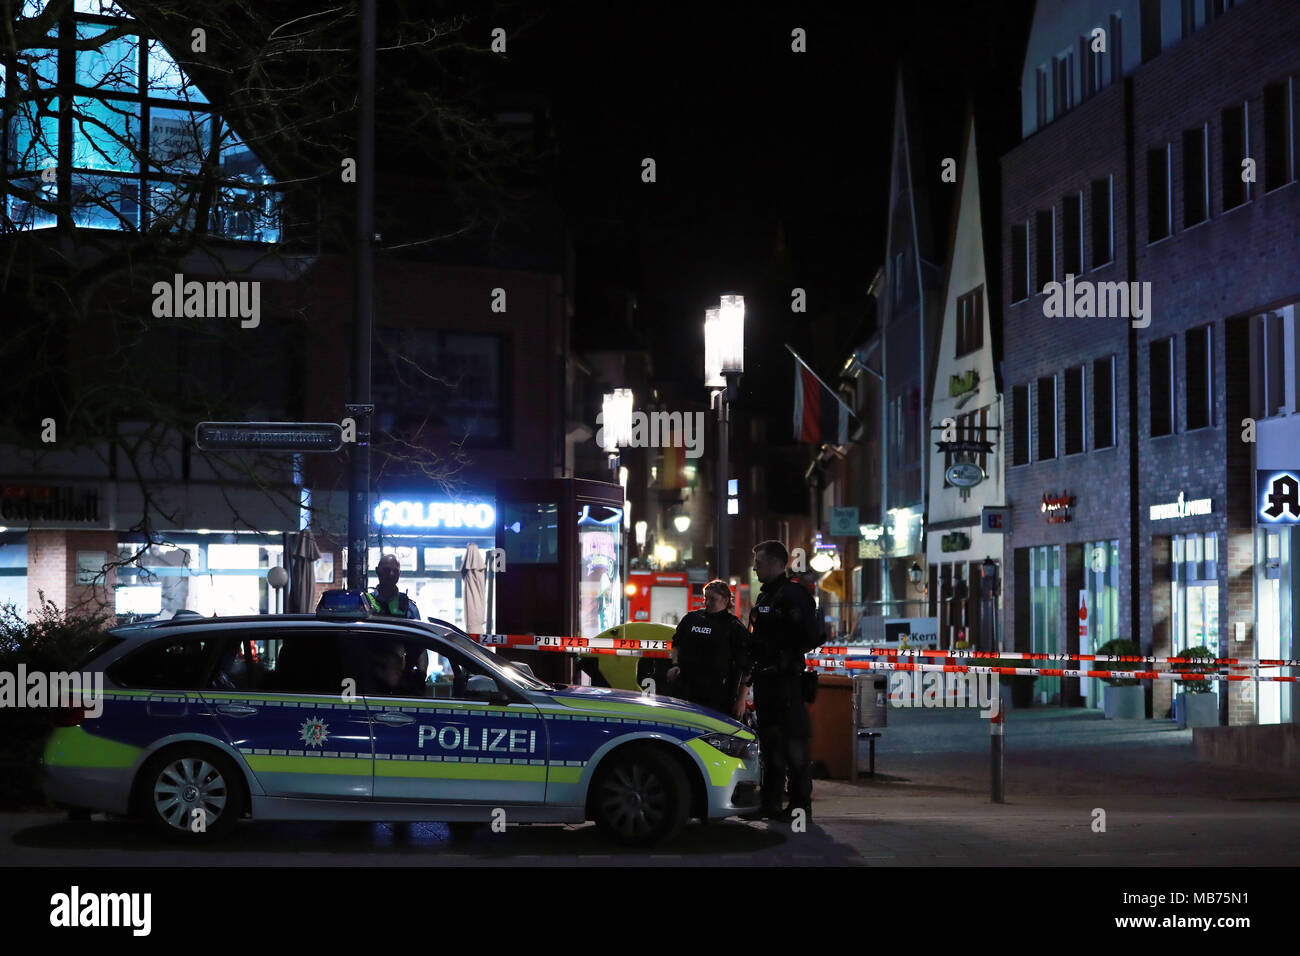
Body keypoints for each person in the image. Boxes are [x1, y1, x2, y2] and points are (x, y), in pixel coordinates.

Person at [747, 539, 819, 821]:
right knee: (770, 747)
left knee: (793, 747)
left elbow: (810, 636)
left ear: (777, 563)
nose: (755, 568)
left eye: (759, 563)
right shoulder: (765, 597)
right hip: (766, 682)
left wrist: (784, 655)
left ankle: (800, 807)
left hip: (787, 682)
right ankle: (770, 804)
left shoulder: (793, 594)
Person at [667, 580, 750, 718]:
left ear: (725, 600)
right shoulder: (691, 619)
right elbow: (676, 644)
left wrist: (741, 700)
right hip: (685, 689)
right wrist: (675, 664)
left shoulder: (733, 627)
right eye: (706, 598)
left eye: (713, 599)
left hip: (716, 696)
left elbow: (747, 667)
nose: (707, 602)